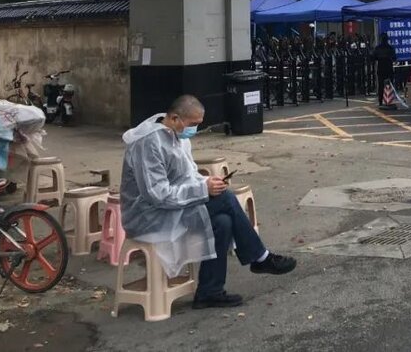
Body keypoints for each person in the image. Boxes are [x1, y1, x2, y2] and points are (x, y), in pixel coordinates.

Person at [120, 95, 296, 310]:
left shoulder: (178, 136)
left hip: (172, 206)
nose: (194, 130)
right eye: (193, 125)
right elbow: (157, 194)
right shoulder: (149, 143)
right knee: (225, 199)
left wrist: (206, 182)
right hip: (147, 215)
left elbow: (188, 175)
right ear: (175, 118)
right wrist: (204, 189)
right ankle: (260, 257)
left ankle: (209, 292)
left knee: (223, 222)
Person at [372, 33, 397, 108]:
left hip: (381, 69)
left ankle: (380, 101)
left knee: (381, 86)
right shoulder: (390, 48)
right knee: (389, 85)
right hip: (388, 68)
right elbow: (394, 58)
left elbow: (373, 58)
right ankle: (389, 101)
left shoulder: (377, 48)